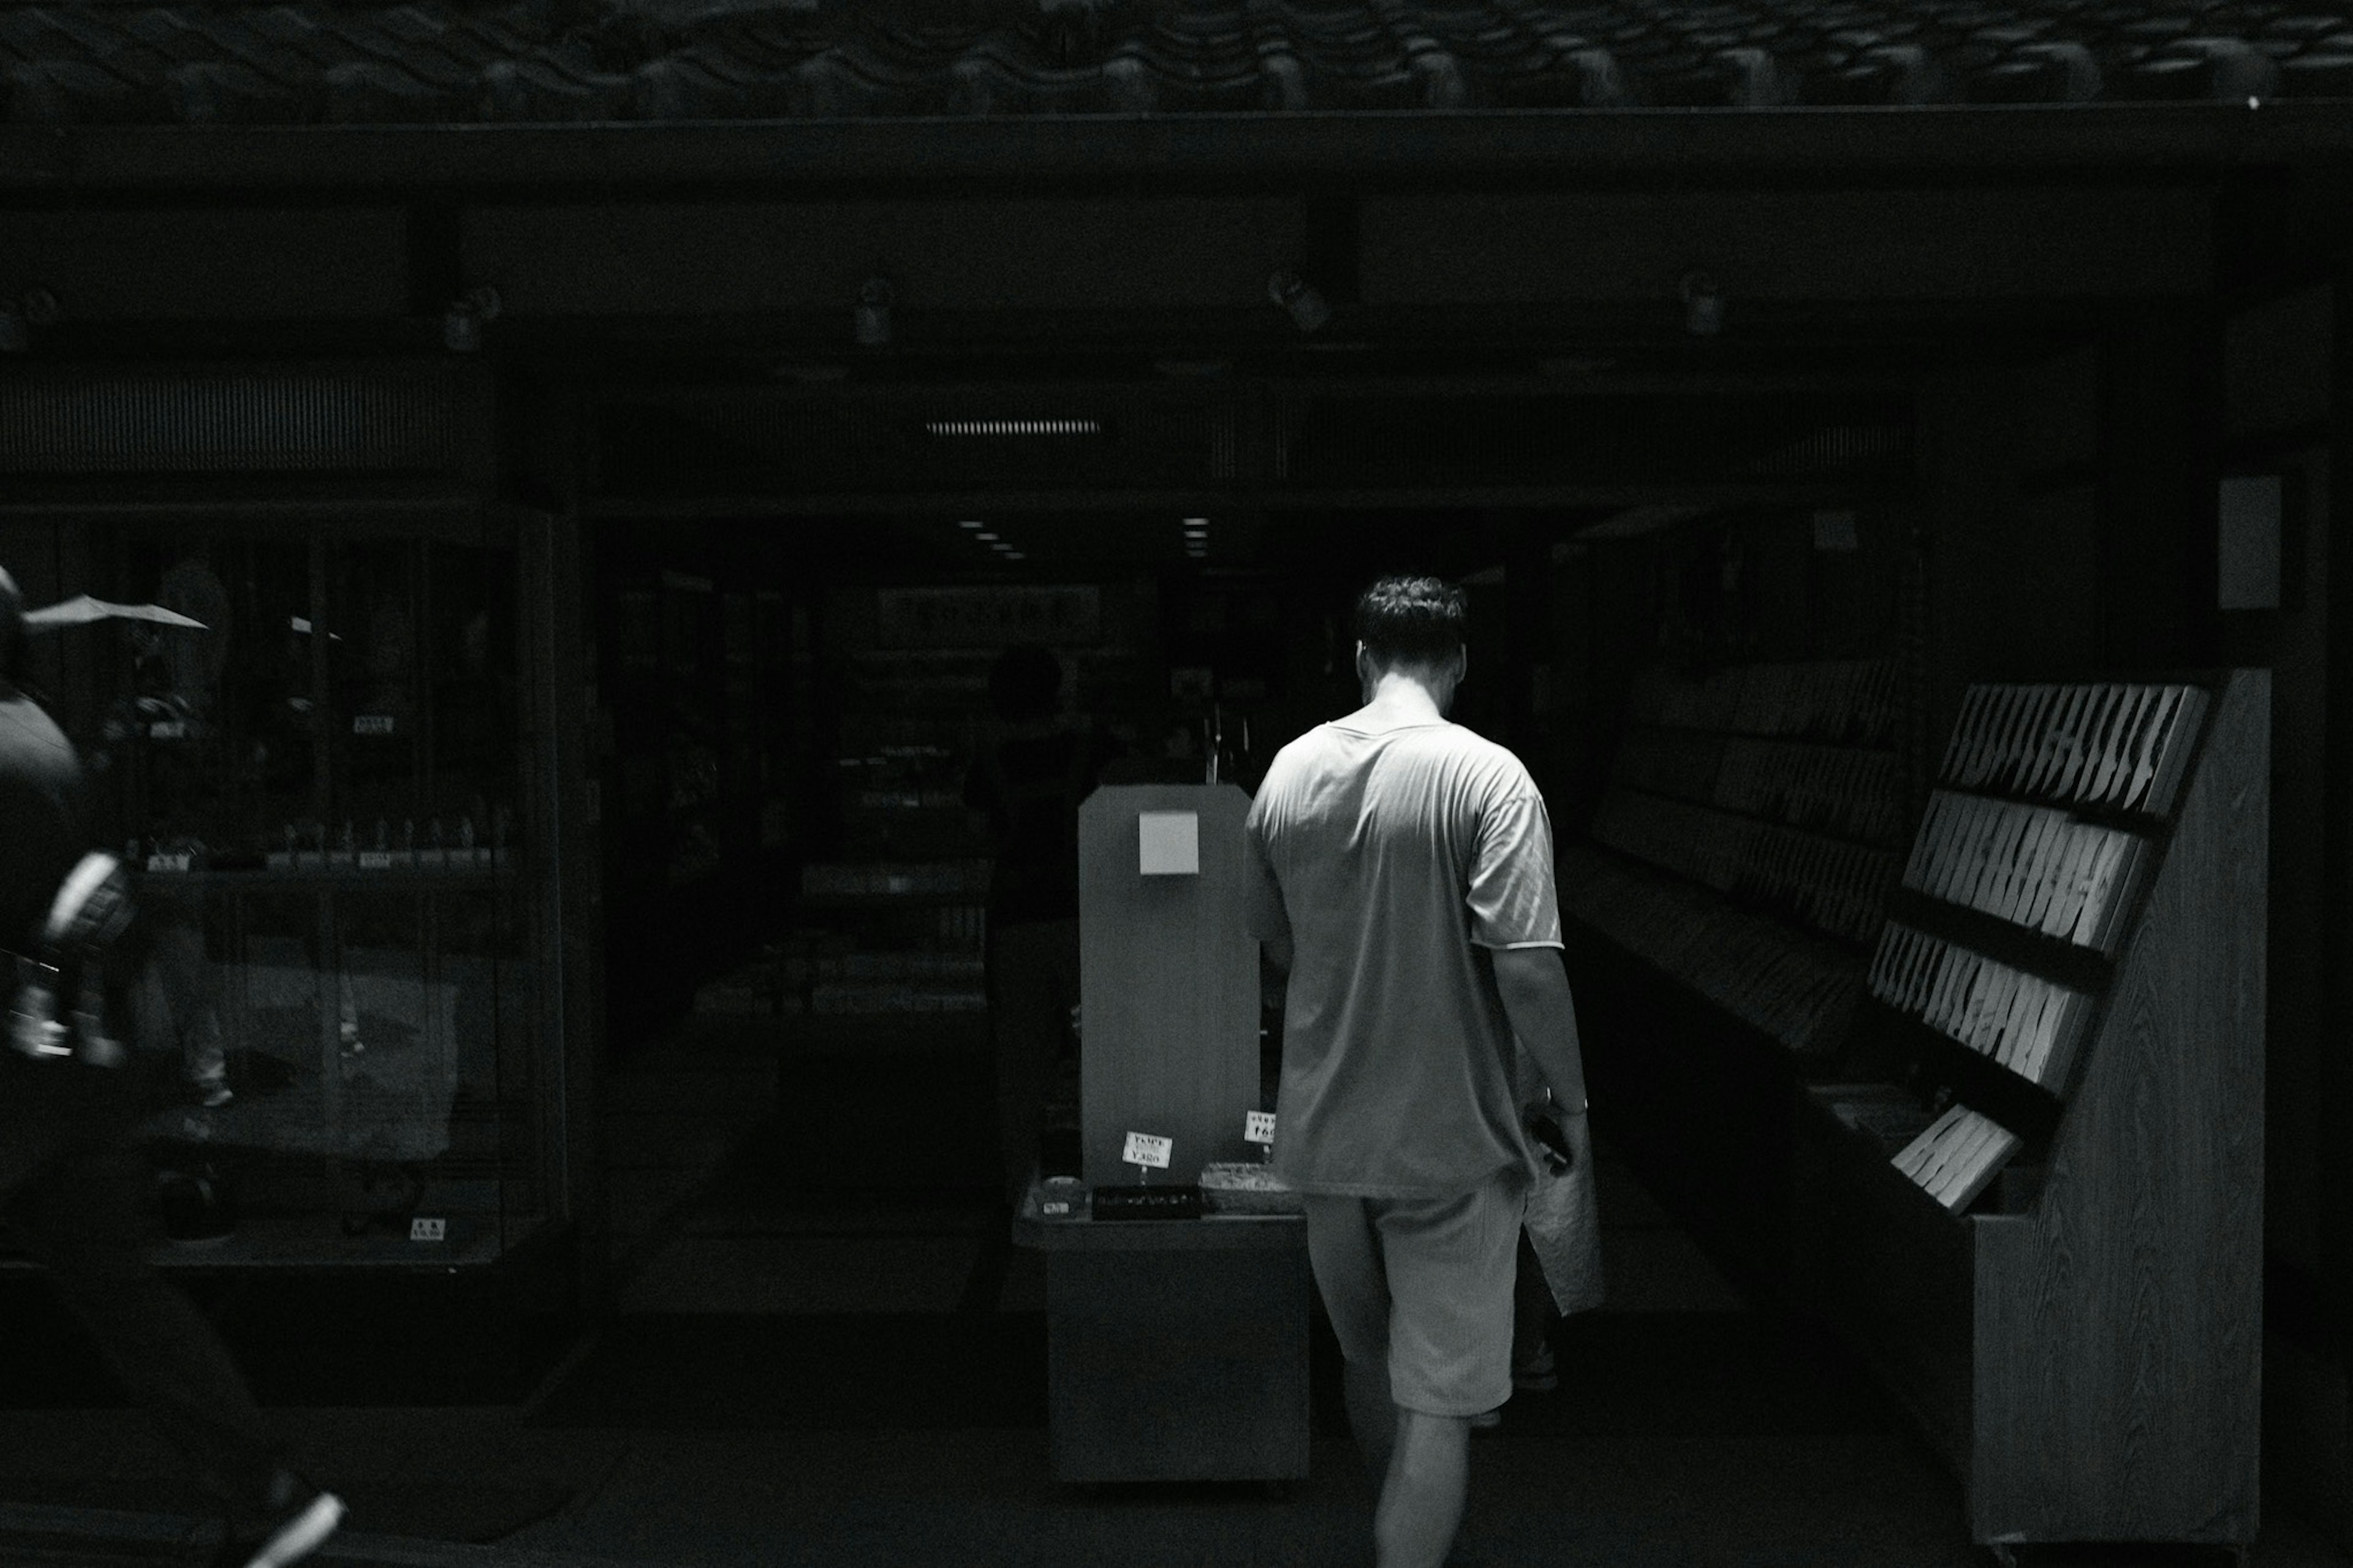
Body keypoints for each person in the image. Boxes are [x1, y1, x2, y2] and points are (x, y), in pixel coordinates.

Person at [0, 566, 344, 1568]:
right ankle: (264, 1488)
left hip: (15, 1078)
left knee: (124, 1296)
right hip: (68, 1072)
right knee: (129, 1299)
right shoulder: (41, 733)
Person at [1244, 575, 1591, 1568]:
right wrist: (1570, 1098)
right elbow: (1527, 965)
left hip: (1325, 1135)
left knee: (1368, 1354)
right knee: (1439, 1398)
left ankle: (1393, 1528)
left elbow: (1271, 942)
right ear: (1461, 662)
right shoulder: (1490, 778)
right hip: (1451, 1137)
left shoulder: (1289, 772)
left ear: (1359, 657)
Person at [964, 644, 1120, 1207]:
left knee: (1021, 1068)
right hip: (1088, 921)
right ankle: (1111, 1180)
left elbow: (982, 838)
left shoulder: (989, 761)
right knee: (1103, 1057)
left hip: (1017, 924)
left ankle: (1022, 1195)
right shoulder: (1094, 748)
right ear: (1057, 691)